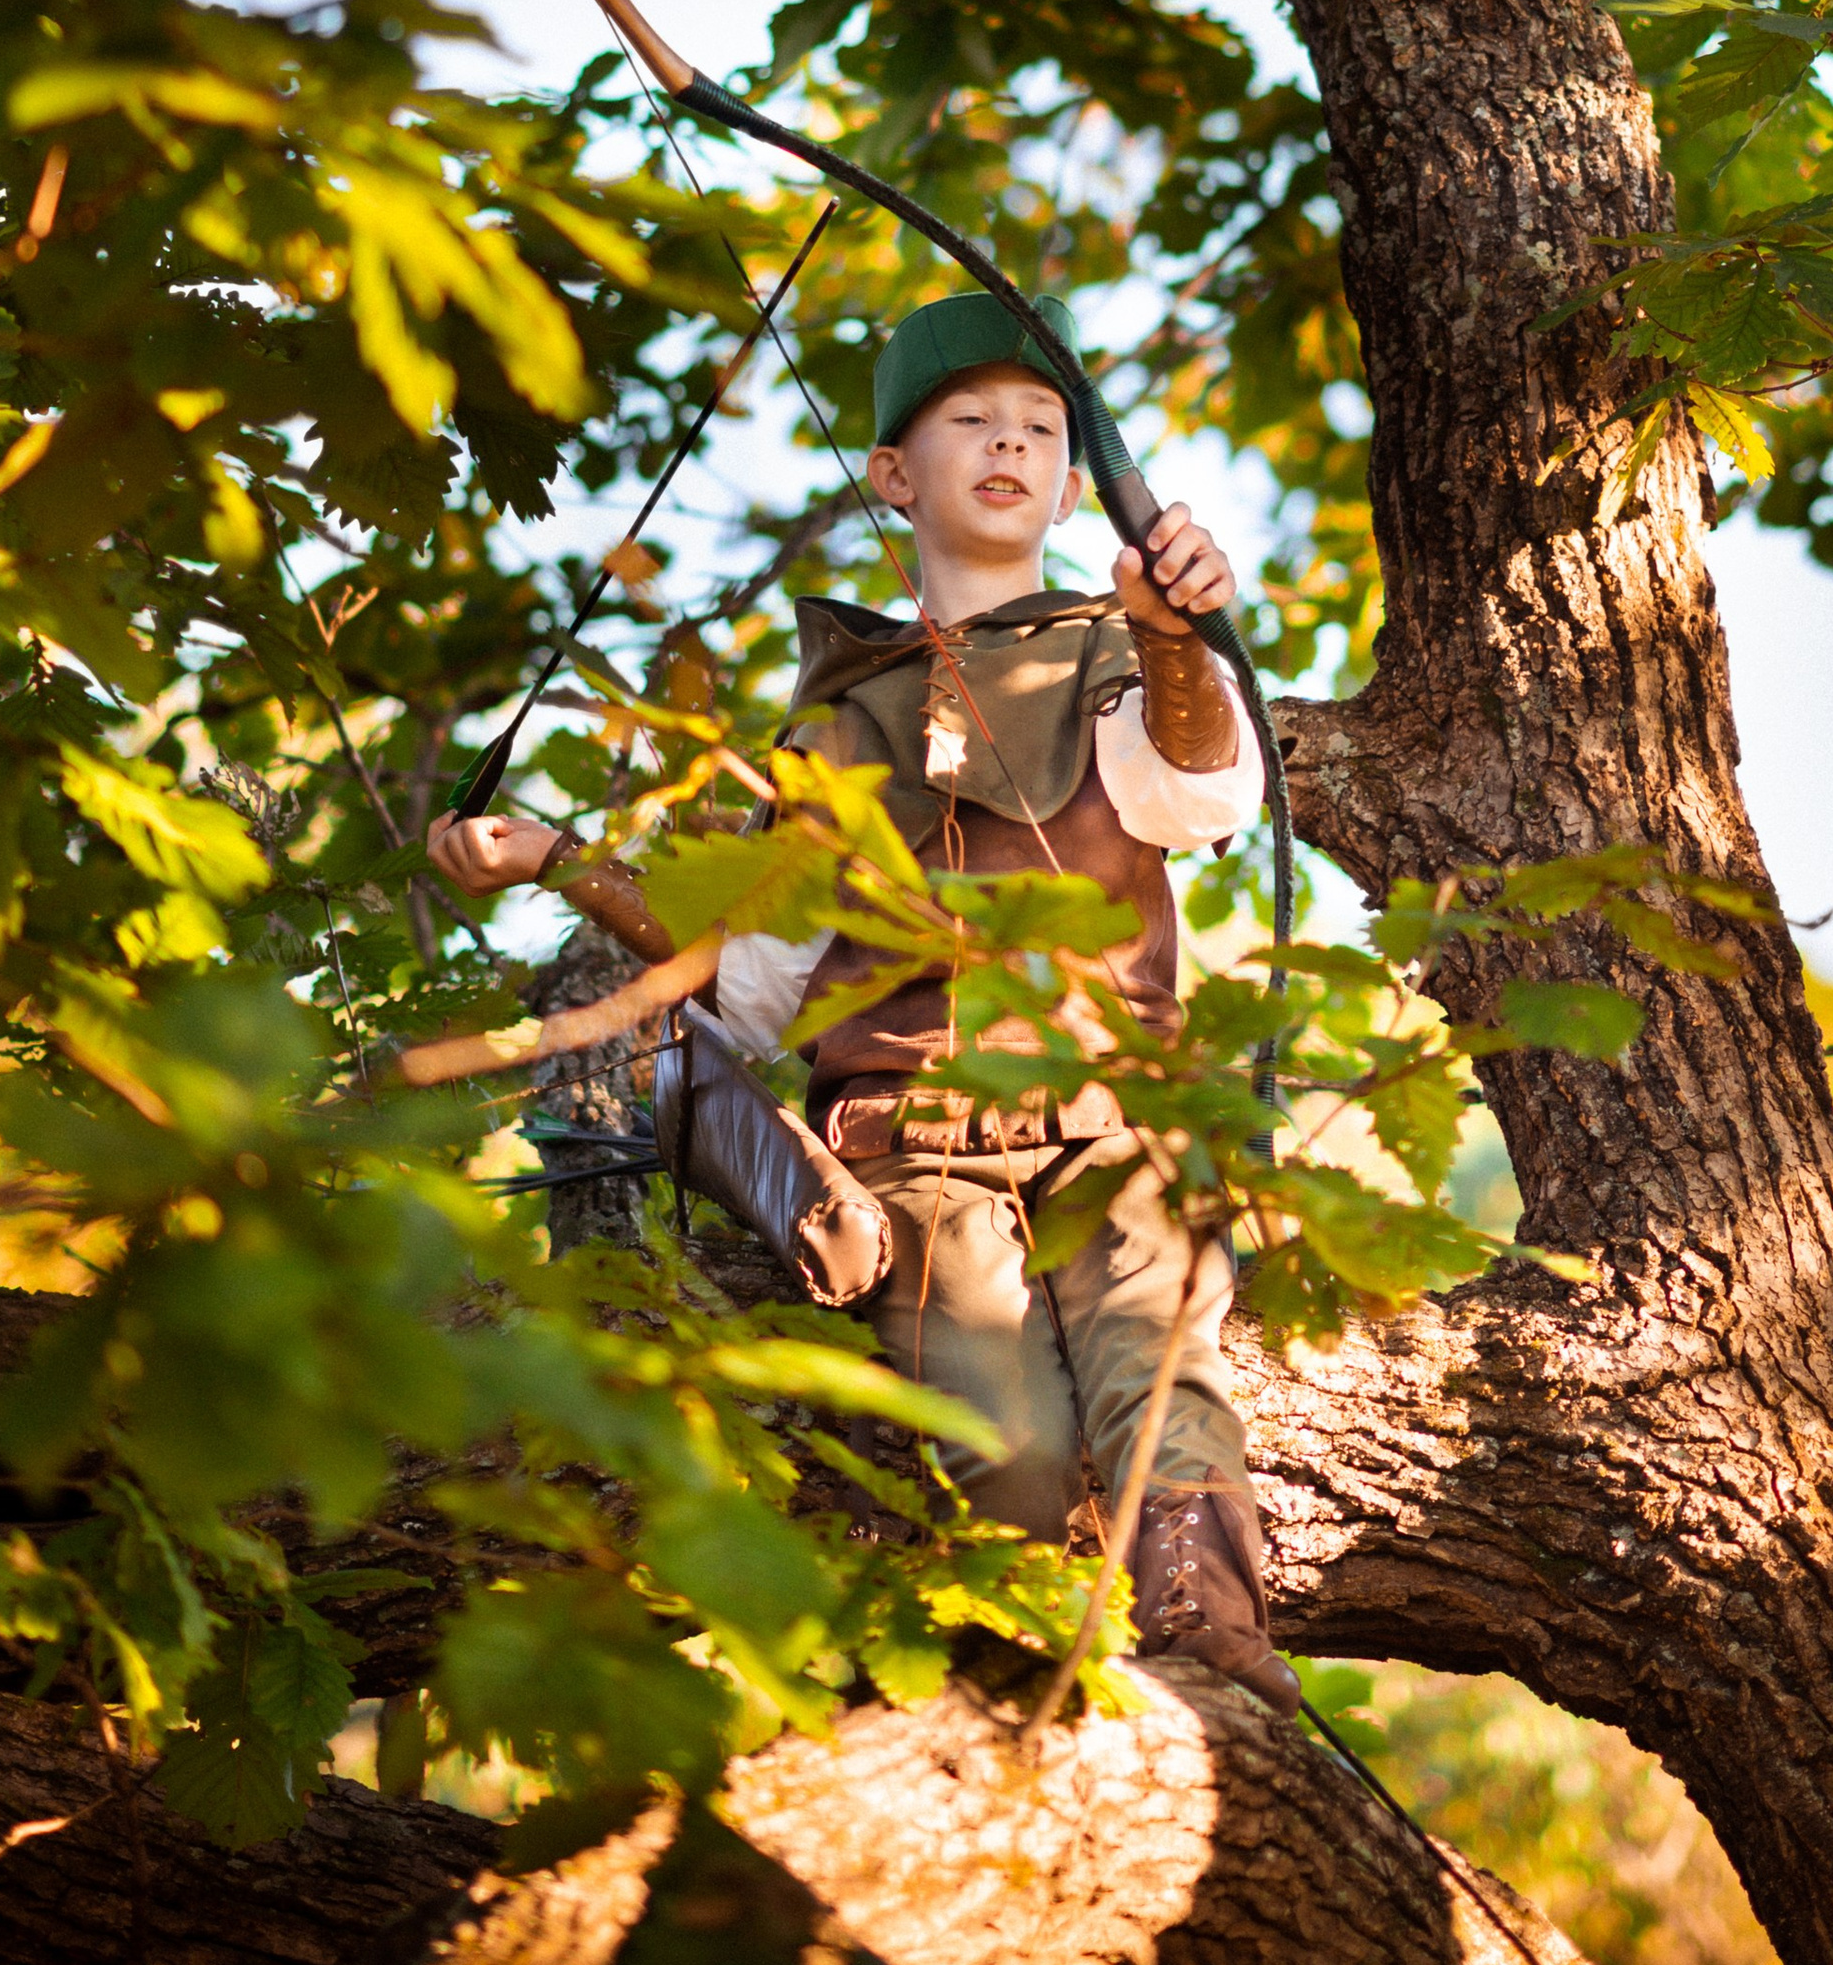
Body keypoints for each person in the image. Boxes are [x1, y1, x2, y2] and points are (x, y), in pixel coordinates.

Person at [430, 289, 1298, 1715]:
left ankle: (1212, 1648)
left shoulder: (1108, 647)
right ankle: (1020, 1698)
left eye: (1039, 428)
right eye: (969, 422)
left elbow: (1197, 790)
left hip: (1117, 1133)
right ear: (894, 471)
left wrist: (1176, 638)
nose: (1009, 445)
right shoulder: (834, 714)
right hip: (918, 1158)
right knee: (1008, 1447)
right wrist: (550, 858)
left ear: (1078, 485)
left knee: (1161, 1371)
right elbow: (761, 977)